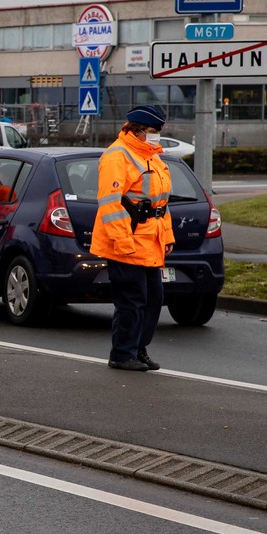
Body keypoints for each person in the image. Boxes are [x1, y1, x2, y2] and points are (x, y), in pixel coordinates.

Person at [91, 104, 175, 372]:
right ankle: (122, 353)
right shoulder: (117, 156)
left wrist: (168, 237)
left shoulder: (153, 157)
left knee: (152, 300)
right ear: (137, 130)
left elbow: (160, 204)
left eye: (158, 131)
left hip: (150, 242)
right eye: (153, 131)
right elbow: (110, 204)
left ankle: (138, 349)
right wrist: (122, 241)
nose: (156, 136)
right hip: (126, 243)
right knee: (131, 301)